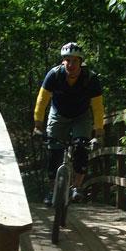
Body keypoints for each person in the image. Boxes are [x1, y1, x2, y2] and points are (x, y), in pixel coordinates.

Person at [33, 42, 104, 204]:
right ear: (62, 61)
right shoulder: (54, 75)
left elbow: (98, 108)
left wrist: (98, 133)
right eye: (67, 60)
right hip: (58, 114)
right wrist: (38, 126)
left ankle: (77, 187)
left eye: (75, 61)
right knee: (54, 151)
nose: (71, 64)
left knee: (81, 147)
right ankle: (52, 190)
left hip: (81, 115)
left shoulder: (90, 78)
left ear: (81, 62)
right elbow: (42, 101)